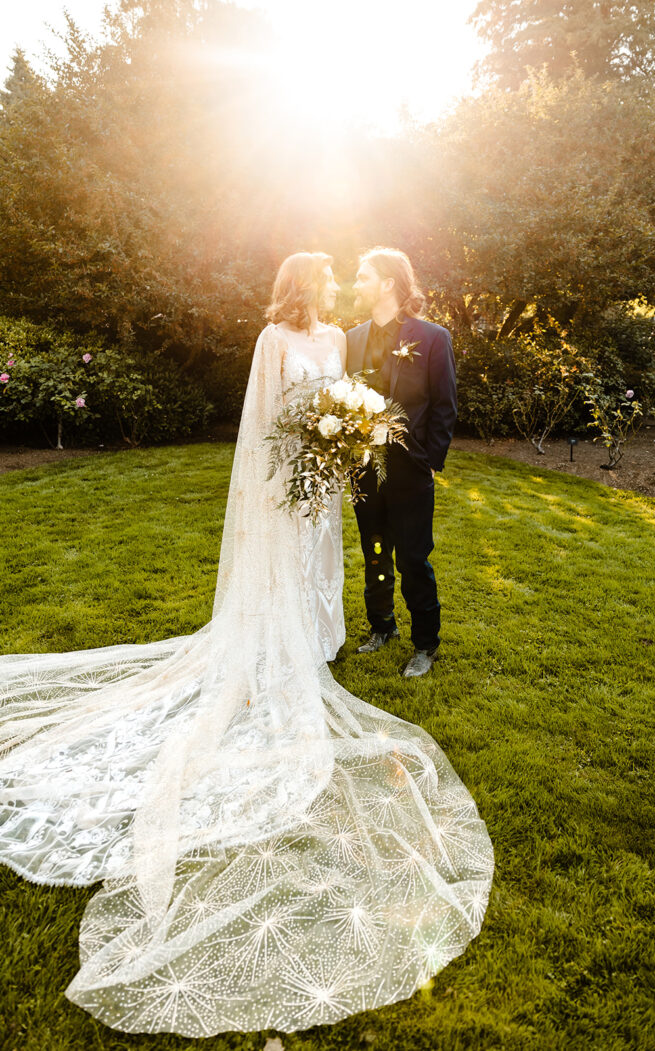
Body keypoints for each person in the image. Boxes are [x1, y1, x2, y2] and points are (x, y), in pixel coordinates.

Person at [0, 253, 493, 1038]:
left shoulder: (380, 335)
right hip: (311, 471)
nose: (341, 284)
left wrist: (395, 453)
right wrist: (300, 463)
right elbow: (272, 414)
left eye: (353, 275)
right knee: (353, 559)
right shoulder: (303, 337)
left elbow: (410, 400)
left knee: (396, 558)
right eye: (327, 276)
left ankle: (396, 636)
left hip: (365, 468)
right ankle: (357, 629)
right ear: (305, 284)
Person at [348, 248, 457, 678]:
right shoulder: (351, 339)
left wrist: (430, 462)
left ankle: (425, 644)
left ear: (388, 283)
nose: (356, 284)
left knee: (413, 558)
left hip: (410, 468)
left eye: (363, 276)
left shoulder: (432, 337)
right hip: (364, 469)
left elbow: (445, 405)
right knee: (375, 552)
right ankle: (382, 627)